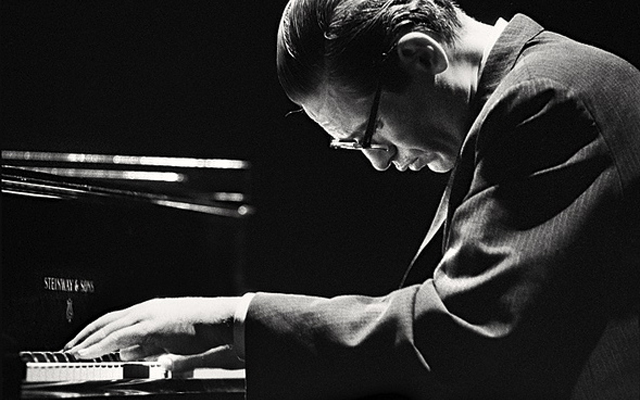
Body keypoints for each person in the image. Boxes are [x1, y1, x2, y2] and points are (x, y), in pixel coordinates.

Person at [64, 0, 640, 399]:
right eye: (355, 145)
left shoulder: (546, 101)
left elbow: (458, 338)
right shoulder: (533, 93)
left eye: (371, 132)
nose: (381, 162)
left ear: (421, 55)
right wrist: (262, 355)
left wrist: (233, 320)